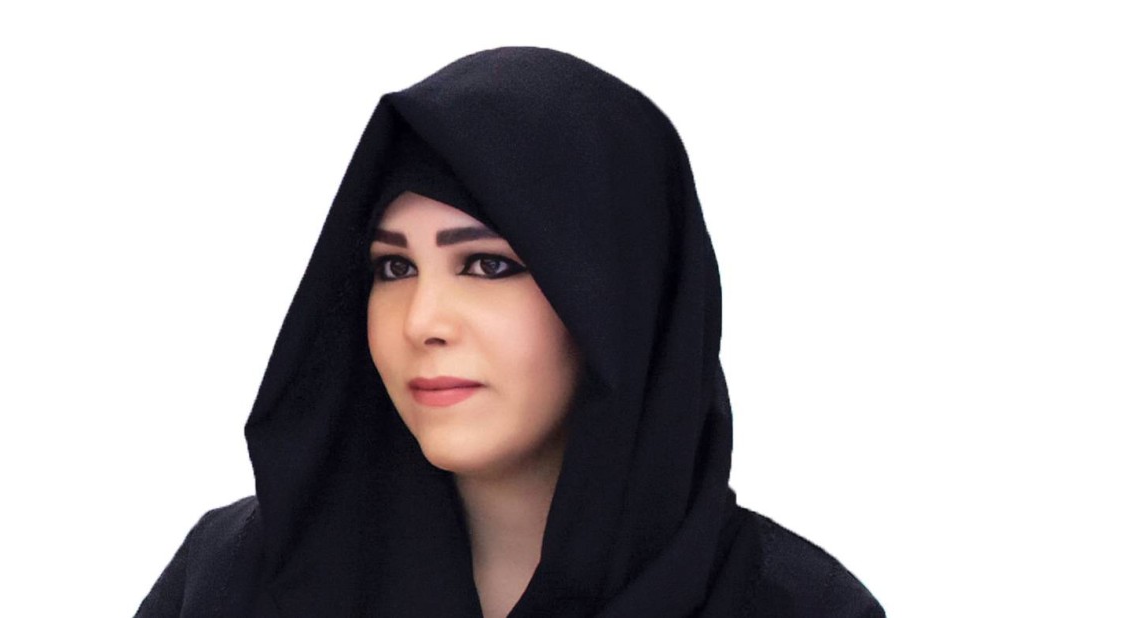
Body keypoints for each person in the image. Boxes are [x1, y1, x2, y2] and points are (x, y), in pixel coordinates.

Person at [135, 47, 884, 617]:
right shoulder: (229, 582)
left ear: (619, 296)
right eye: (394, 268)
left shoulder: (797, 606)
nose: (422, 321)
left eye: (488, 266)